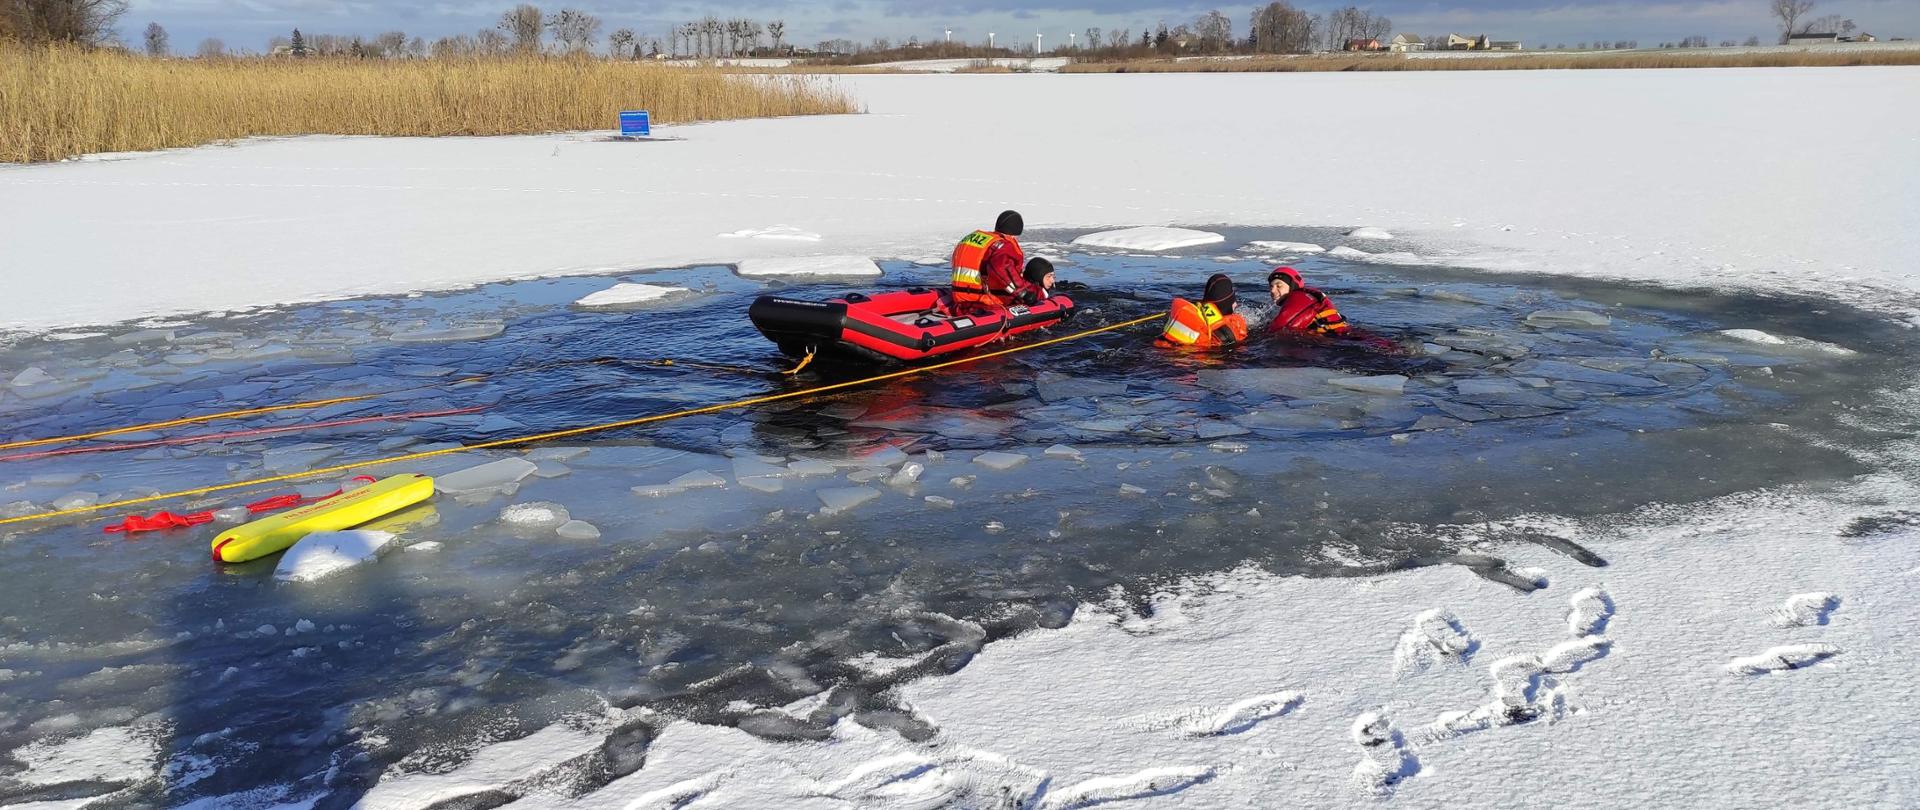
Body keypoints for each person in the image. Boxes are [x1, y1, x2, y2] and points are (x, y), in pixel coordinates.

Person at [950, 210, 1040, 311]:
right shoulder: (1003, 245)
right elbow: (1001, 268)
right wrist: (1023, 293)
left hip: (959, 296)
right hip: (983, 300)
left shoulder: (972, 238)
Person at [1158, 273, 1249, 347]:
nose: (1236, 304)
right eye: (1233, 302)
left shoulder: (1190, 313)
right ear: (1228, 303)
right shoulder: (1235, 326)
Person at [1265, 266, 1350, 337]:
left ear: (1293, 286)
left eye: (1279, 286)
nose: (1272, 290)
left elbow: (1276, 330)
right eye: (1271, 286)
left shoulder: (1300, 298)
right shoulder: (1305, 298)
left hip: (1341, 339)